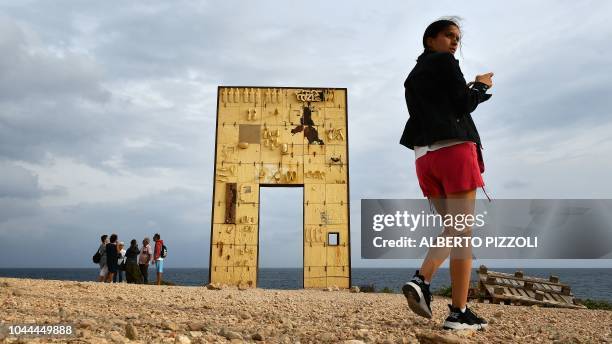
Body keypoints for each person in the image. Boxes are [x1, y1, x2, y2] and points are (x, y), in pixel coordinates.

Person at [399, 18, 492, 330]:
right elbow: (463, 103)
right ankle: (422, 279)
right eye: (449, 36)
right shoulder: (445, 61)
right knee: (460, 227)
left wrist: (467, 90)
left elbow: (441, 104)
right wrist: (480, 86)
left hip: (425, 157)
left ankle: (459, 311)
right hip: (454, 152)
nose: (454, 42)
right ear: (430, 40)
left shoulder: (413, 76)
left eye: (457, 38)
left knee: (459, 233)